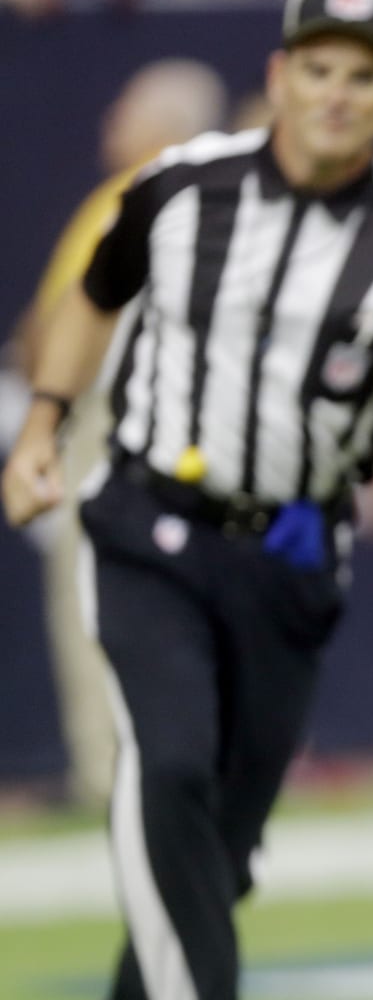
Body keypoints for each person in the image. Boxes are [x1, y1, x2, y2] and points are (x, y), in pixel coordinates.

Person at [1, 0, 373, 1000]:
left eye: (363, 74)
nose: (337, 92)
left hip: (291, 554)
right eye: (319, 68)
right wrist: (43, 419)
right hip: (145, 526)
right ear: (280, 75)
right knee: (169, 771)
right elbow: (93, 294)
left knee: (217, 848)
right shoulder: (180, 185)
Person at [10, 58, 228, 810]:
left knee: (92, 592)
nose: (111, 124)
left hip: (115, 424)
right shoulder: (227, 201)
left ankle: (107, 769)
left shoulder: (128, 200)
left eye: (127, 112)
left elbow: (61, 328)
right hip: (200, 423)